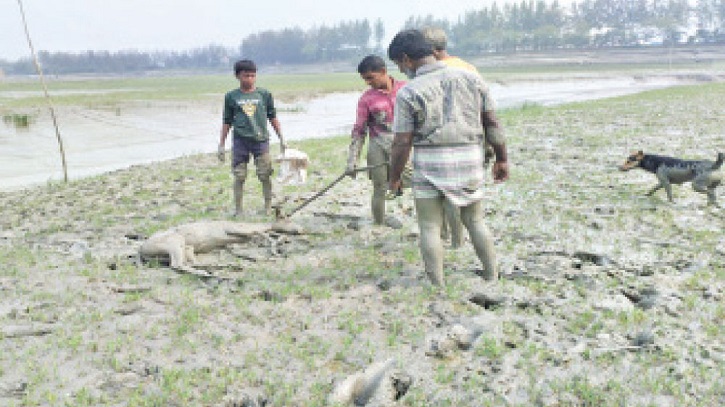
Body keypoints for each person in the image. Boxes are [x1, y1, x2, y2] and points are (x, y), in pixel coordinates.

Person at [387, 29, 509, 286]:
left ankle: (437, 284)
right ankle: (491, 274)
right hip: (469, 159)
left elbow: (402, 141)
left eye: (399, 64)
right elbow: (492, 122)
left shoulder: (409, 92)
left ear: (406, 59)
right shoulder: (472, 78)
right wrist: (501, 159)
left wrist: (394, 177)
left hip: (431, 163)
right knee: (475, 220)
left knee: (429, 226)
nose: (401, 70)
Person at [421, 26, 496, 249]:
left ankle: (454, 240)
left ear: (431, 51)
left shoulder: (435, 72)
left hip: (448, 143)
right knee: (468, 199)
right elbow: (485, 110)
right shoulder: (468, 67)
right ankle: (457, 240)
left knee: (446, 195)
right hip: (475, 139)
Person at [346, 55, 409, 227]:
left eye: (370, 78)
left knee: (420, 185)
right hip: (378, 146)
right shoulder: (366, 99)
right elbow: (359, 131)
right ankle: (379, 224)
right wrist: (352, 161)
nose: (367, 82)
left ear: (383, 71)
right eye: (364, 79)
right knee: (380, 188)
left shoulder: (406, 89)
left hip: (406, 146)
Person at [218, 59, 286, 217]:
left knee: (265, 174)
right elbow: (227, 121)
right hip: (240, 140)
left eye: (252, 75)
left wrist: (282, 137)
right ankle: (238, 209)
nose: (249, 79)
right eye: (246, 76)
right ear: (237, 76)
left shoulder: (264, 94)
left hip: (261, 140)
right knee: (239, 175)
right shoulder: (231, 97)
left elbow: (272, 116)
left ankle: (268, 206)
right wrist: (221, 144)